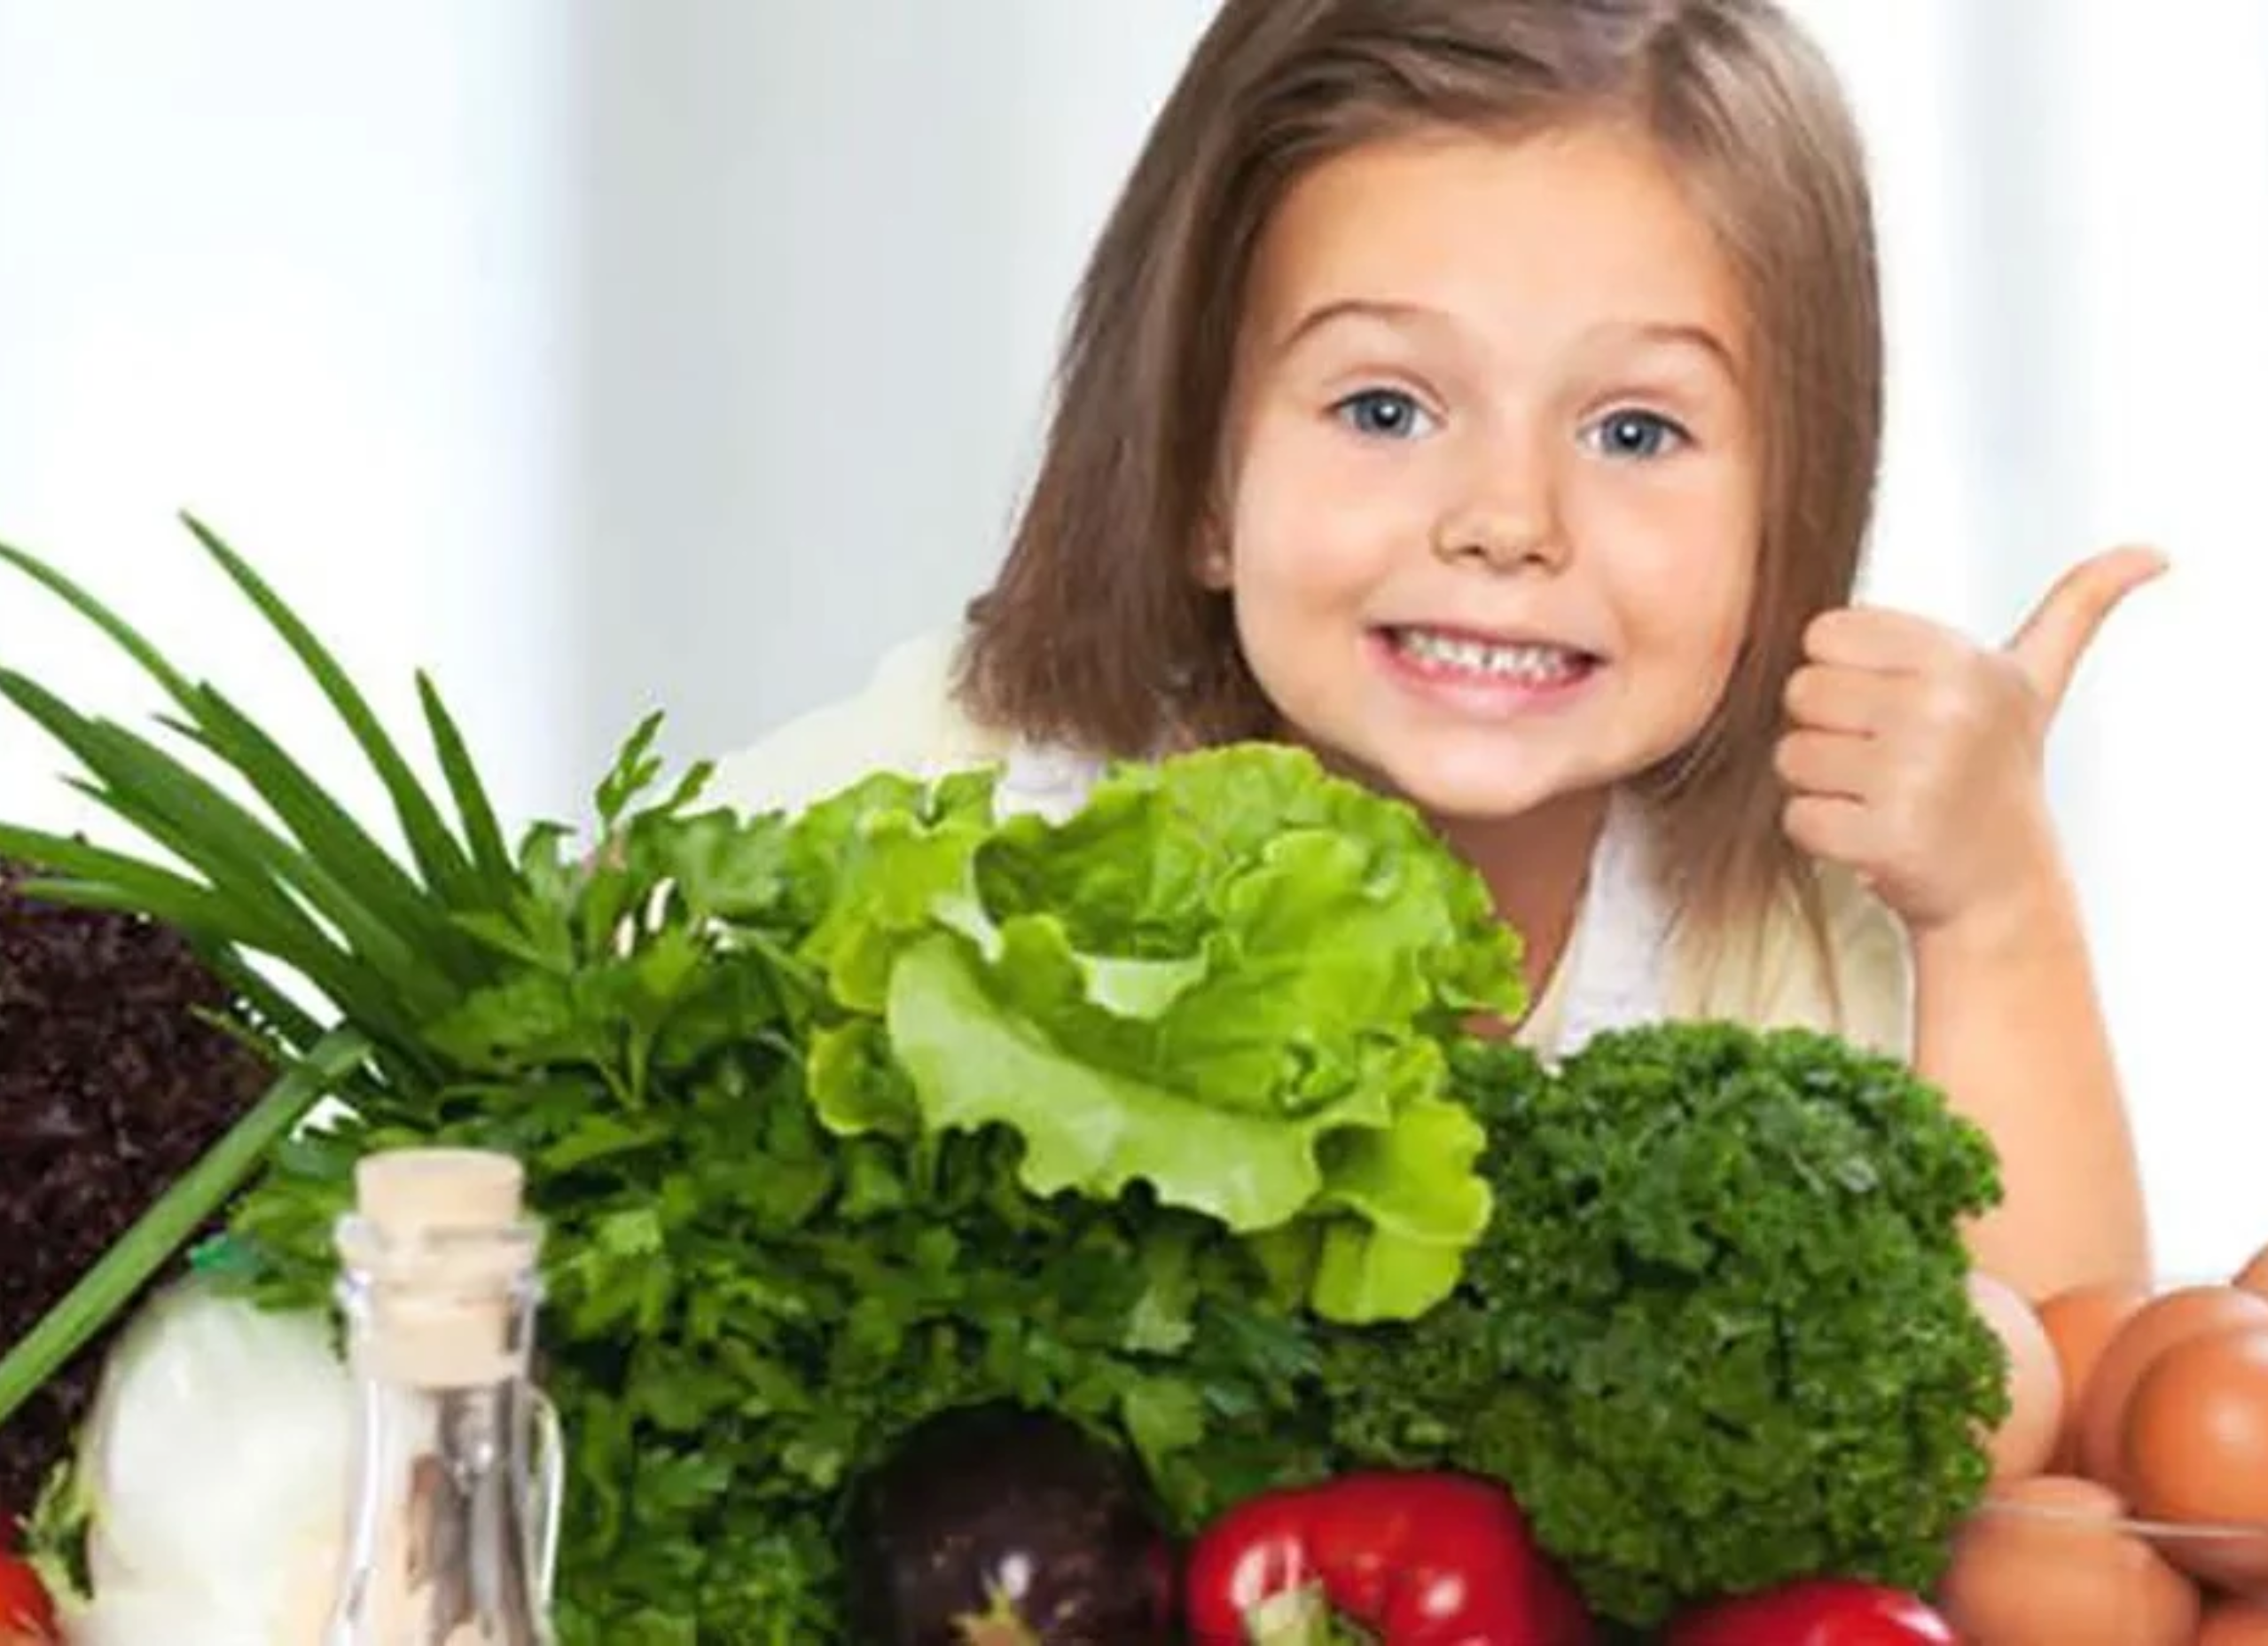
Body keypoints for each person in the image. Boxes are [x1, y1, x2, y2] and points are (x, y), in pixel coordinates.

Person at [700, 0, 2152, 1303]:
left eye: (1635, 431)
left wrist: (1998, 910)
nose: (1508, 521)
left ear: (1792, 511)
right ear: (1203, 483)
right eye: (1386, 409)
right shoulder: (945, 815)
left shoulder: (1781, 934)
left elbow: (2057, 1420)